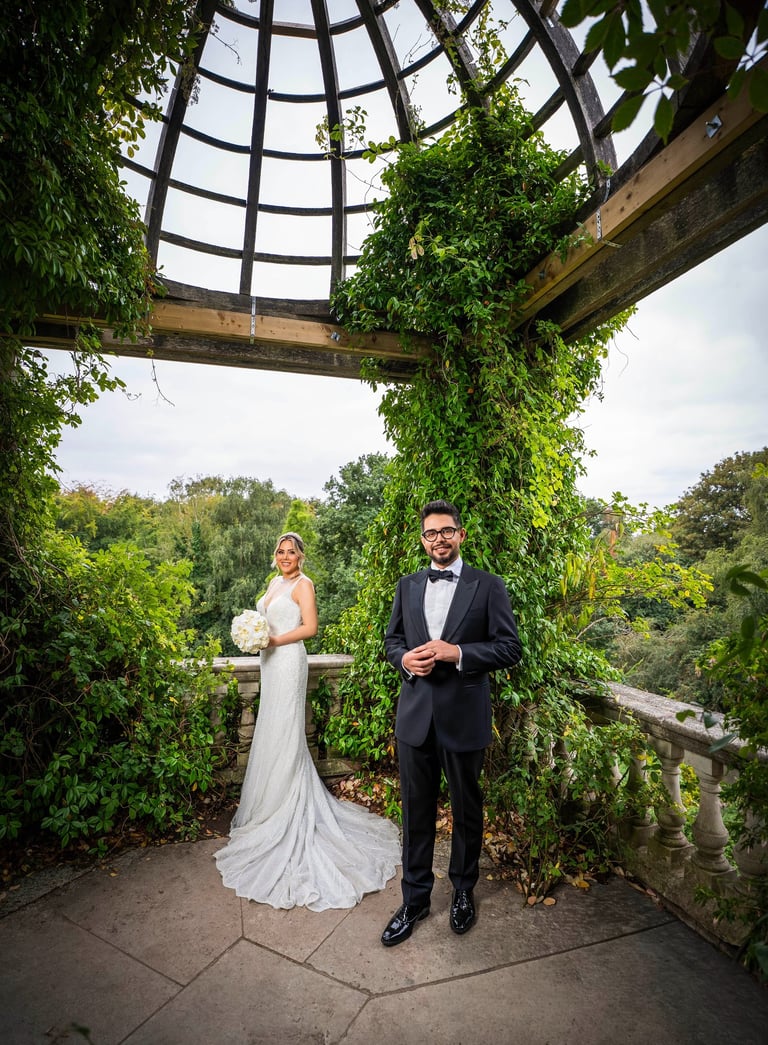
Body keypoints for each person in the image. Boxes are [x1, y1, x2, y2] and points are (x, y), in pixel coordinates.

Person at [215, 531, 400, 911]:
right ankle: (268, 806)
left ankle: (288, 809)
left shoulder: (304, 584)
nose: (286, 556)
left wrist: (271, 642)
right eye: (281, 551)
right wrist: (256, 639)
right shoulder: (273, 582)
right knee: (270, 729)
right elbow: (266, 622)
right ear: (275, 554)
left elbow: (310, 628)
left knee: (286, 733)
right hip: (270, 665)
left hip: (287, 661)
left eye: (292, 552)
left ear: (301, 556)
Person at [381, 500, 522, 946]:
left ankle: (463, 891)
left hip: (464, 717)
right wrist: (404, 659)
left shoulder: (489, 586)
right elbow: (392, 641)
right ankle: (415, 899)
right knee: (415, 813)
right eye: (430, 533)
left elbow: (509, 648)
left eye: (446, 531)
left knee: (467, 810)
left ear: (461, 534)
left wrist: (458, 653)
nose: (438, 539)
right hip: (415, 717)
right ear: (423, 540)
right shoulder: (406, 586)